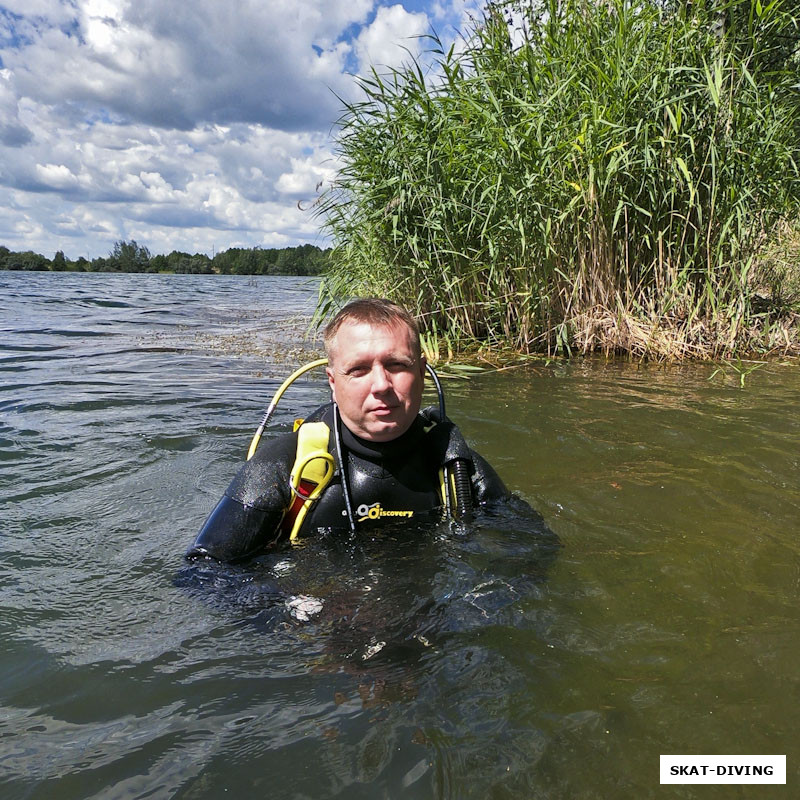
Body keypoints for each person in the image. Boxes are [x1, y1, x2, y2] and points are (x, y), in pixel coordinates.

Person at [186, 298, 510, 563]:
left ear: (422, 372)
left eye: (397, 364)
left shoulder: (457, 470)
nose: (382, 385)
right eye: (359, 370)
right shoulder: (282, 467)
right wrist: (295, 615)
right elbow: (203, 573)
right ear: (333, 382)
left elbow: (530, 555)